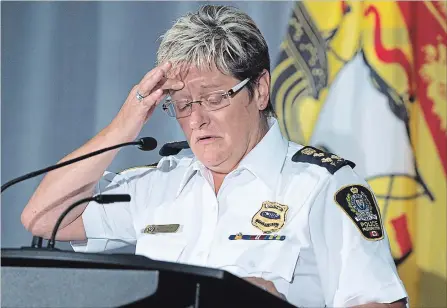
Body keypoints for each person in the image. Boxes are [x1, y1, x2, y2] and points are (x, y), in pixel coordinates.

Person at [21, 5, 408, 307]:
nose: (197, 119)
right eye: (184, 103)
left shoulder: (322, 185)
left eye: (214, 98)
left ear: (260, 90)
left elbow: (380, 303)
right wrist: (123, 127)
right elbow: (43, 217)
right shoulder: (159, 186)